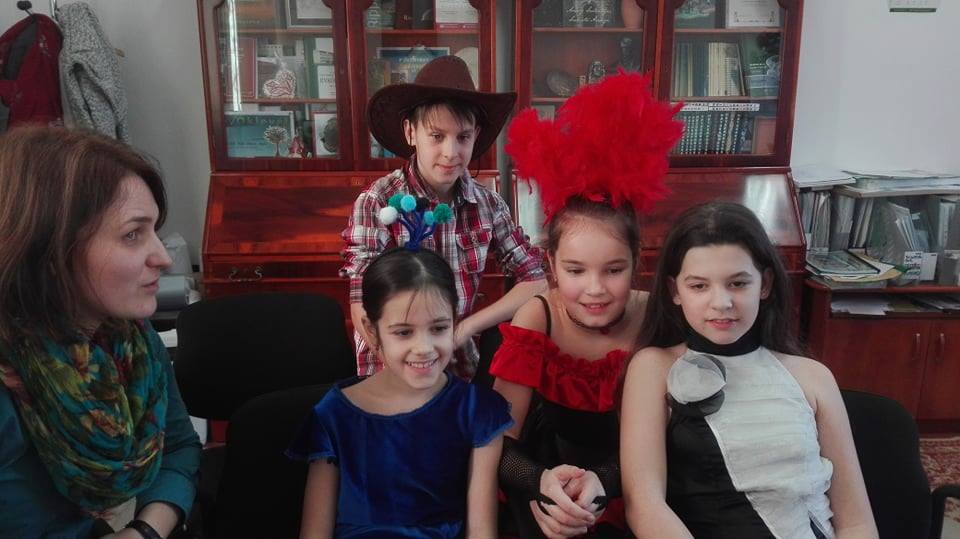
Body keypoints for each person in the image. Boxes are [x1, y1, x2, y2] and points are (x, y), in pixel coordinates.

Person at [490, 71, 683, 538]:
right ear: (551, 265)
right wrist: (541, 484)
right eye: (576, 271)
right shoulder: (538, 315)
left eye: (612, 270)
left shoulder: (658, 319)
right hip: (548, 476)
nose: (595, 289)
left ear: (636, 262)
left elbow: (673, 438)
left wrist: (604, 485)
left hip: (637, 482)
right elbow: (499, 439)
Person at [621, 202, 877, 539]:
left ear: (765, 284)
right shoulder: (654, 368)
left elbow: (856, 522)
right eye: (699, 286)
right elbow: (644, 505)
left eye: (738, 284)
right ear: (675, 291)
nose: (721, 303)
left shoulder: (813, 377)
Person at [0, 126, 201, 538]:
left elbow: (179, 447)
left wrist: (144, 531)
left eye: (155, 230)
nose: (162, 257)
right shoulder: (11, 379)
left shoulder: (135, 342)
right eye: (132, 234)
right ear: (51, 250)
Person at [288, 221, 514, 536]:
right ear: (372, 331)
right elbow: (315, 532)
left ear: (454, 320)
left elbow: (481, 532)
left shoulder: (478, 411)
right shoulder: (333, 415)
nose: (424, 348)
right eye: (404, 332)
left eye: (438, 328)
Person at [342, 55, 547, 379]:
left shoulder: (488, 205)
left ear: (476, 135)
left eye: (462, 137)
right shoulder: (377, 202)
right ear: (411, 132)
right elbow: (362, 305)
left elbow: (536, 280)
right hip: (390, 368)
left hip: (458, 366)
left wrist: (467, 327)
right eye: (437, 136)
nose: (451, 153)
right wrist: (409, 363)